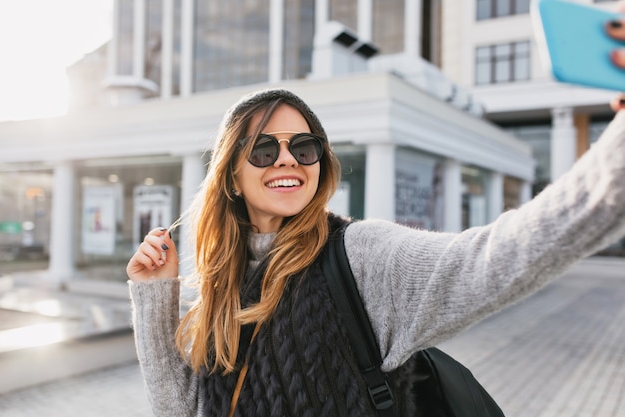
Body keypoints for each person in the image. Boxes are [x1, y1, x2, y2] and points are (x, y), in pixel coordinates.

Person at [127, 15, 625, 417]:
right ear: (231, 175)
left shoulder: (361, 256)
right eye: (262, 149)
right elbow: (179, 410)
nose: (287, 160)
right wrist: (155, 296)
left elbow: (498, 257)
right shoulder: (219, 281)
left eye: (304, 146)